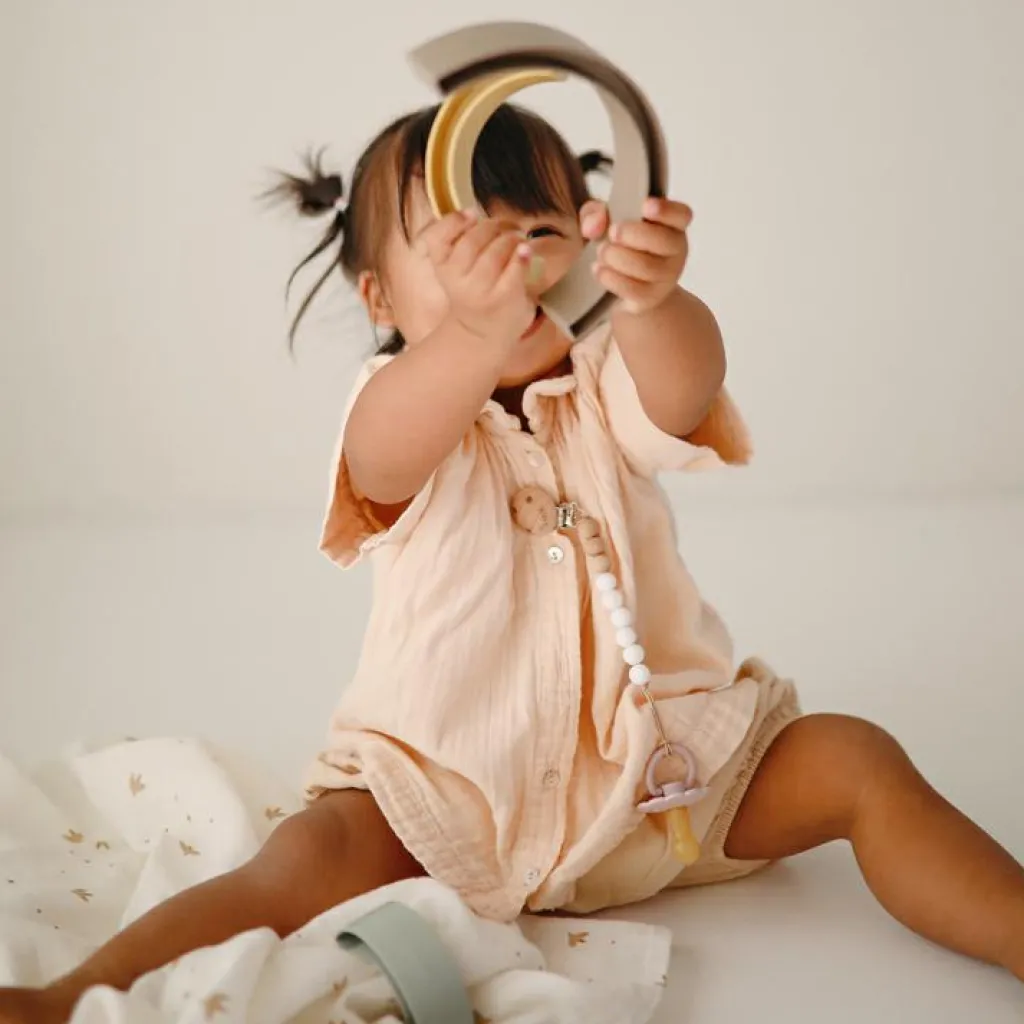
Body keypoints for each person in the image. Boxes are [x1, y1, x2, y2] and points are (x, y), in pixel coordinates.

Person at [2, 102, 1021, 1023]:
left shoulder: (604, 380)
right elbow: (383, 455)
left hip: (661, 783)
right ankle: (63, 1000)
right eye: (462, 245)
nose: (512, 265)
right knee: (304, 855)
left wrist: (657, 301)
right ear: (378, 295)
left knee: (856, 760)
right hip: (442, 800)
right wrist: (469, 339)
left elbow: (683, 391)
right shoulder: (396, 403)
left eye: (540, 231)